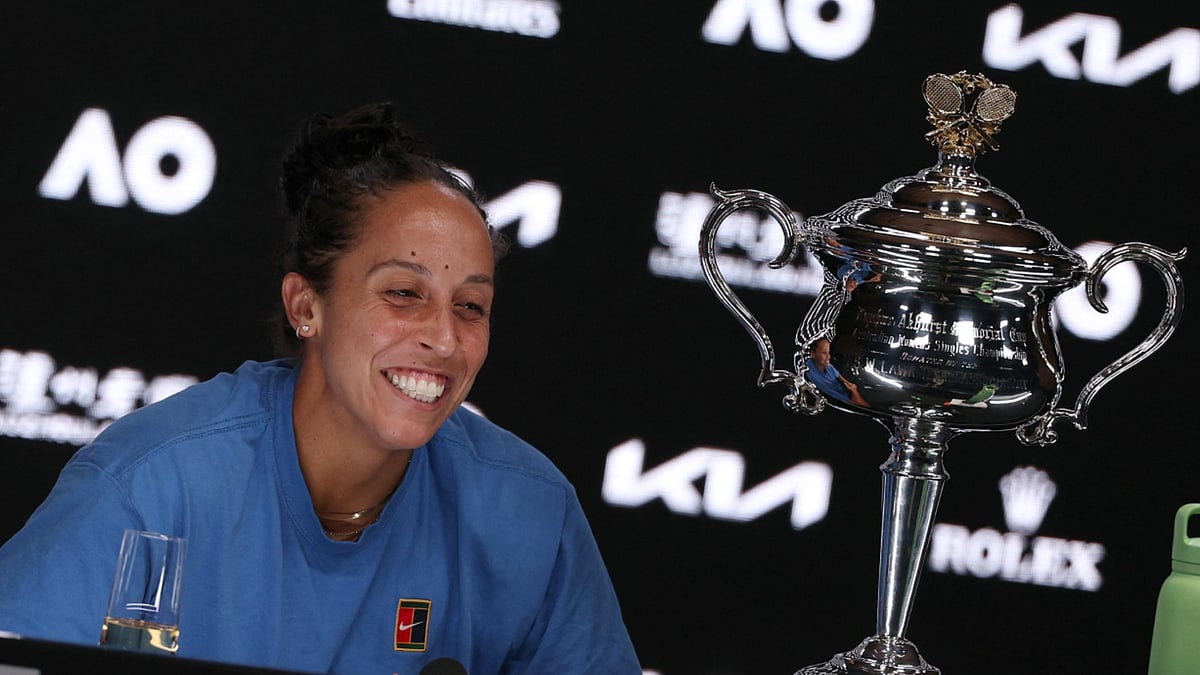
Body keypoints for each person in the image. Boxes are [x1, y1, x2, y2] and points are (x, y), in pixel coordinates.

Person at [0, 103, 641, 674]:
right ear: (306, 306)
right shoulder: (149, 486)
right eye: (404, 293)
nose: (445, 339)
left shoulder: (531, 511)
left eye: (470, 306)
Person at [805, 337, 869, 407]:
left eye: (828, 352)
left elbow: (837, 374)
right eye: (824, 353)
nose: (829, 357)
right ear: (813, 353)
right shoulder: (817, 379)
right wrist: (854, 391)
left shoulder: (826, 365)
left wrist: (847, 383)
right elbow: (857, 405)